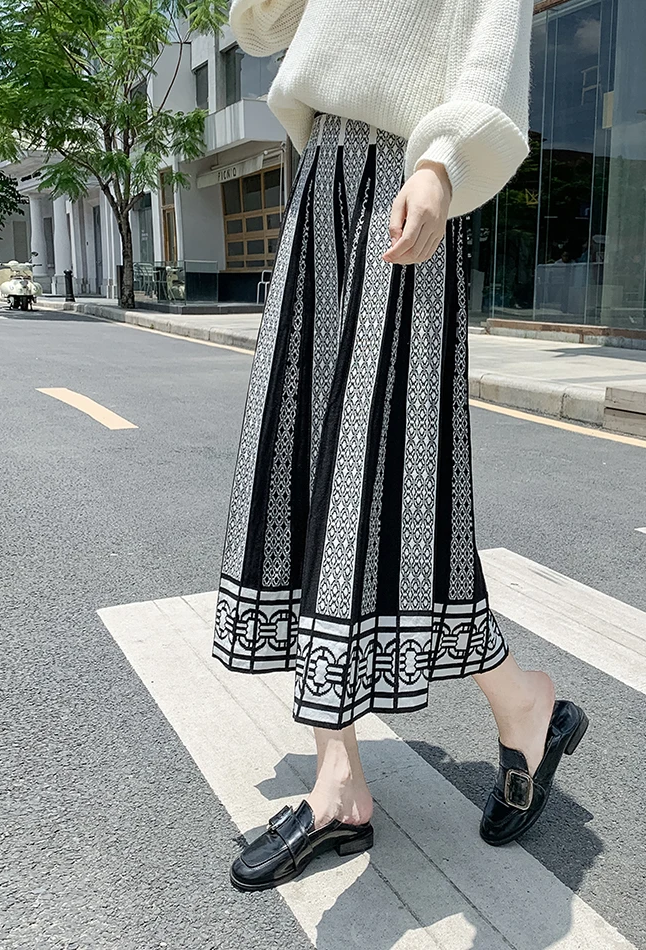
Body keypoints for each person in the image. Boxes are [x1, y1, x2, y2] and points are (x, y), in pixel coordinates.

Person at [213, 0, 588, 892]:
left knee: (375, 486)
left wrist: (441, 161)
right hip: (322, 178)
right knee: (307, 473)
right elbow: (260, 28)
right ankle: (362, 768)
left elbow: (490, 47)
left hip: (403, 184)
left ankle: (503, 708)